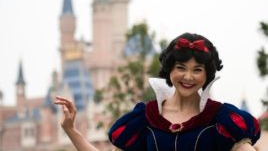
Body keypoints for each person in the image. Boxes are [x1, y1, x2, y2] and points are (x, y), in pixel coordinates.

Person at [54, 32, 260, 151]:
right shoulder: (145, 118)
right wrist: (71, 130)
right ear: (169, 70)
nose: (188, 77)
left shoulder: (221, 119)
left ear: (207, 75)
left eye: (197, 70)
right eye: (181, 68)